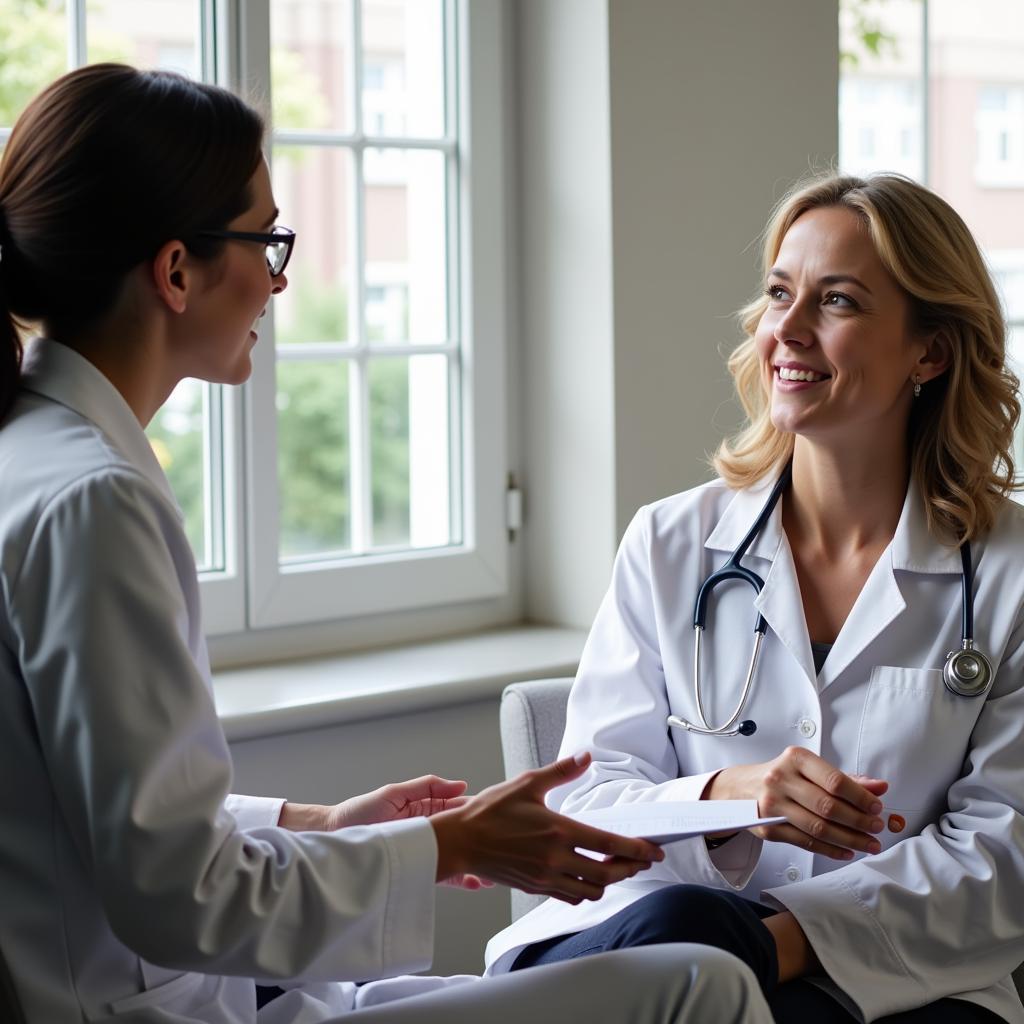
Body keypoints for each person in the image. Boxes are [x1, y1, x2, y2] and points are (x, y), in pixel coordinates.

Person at [0, 64, 777, 1023]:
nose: (280, 278)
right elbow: (173, 892)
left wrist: (313, 823)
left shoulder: (34, 453)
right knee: (703, 985)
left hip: (180, 989)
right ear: (174, 272)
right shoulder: (94, 501)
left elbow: (98, 825)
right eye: (266, 240)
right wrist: (458, 848)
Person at [484, 172, 1024, 1023]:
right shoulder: (670, 542)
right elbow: (585, 797)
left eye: (836, 300)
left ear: (931, 351)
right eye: (780, 293)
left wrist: (772, 941)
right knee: (682, 929)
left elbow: (1003, 854)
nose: (788, 330)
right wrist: (728, 797)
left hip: (901, 975)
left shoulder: (1007, 574)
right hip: (652, 937)